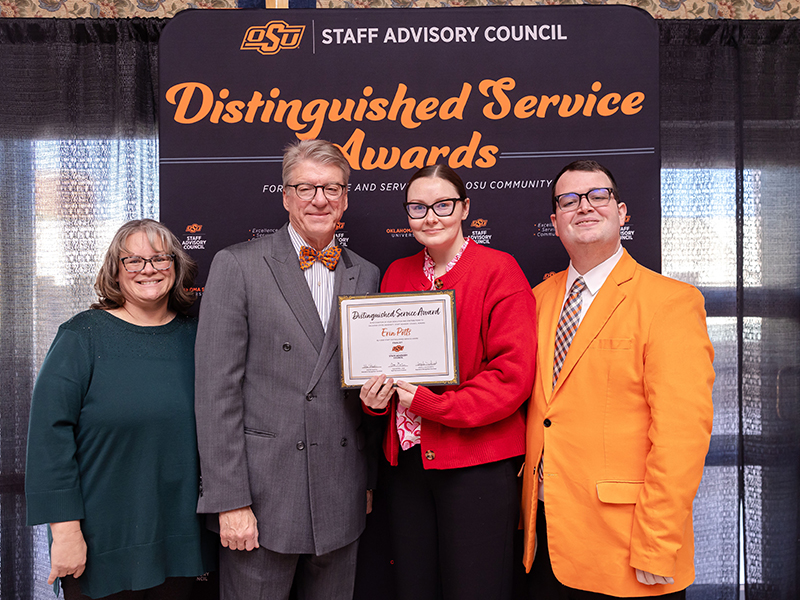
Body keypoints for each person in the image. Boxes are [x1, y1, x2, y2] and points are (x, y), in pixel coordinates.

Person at [194, 139, 380, 600]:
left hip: (341, 494)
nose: (320, 199)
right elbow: (216, 393)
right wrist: (230, 501)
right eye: (306, 188)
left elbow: (367, 392)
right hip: (262, 498)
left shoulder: (368, 274)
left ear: (346, 198)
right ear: (285, 196)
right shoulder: (237, 265)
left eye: (332, 189)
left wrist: (367, 483)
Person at [520, 160, 715, 599]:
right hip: (546, 541)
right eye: (568, 200)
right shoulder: (535, 301)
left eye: (597, 196)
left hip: (629, 547)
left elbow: (682, 436)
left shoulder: (671, 303)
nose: (583, 207)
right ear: (555, 222)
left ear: (622, 212)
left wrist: (657, 544)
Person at [360, 164, 537, 600]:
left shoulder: (499, 270)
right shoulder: (396, 274)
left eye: (443, 205)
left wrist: (432, 404)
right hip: (406, 468)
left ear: (465, 209)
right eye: (418, 207)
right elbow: (380, 363)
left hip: (476, 467)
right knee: (414, 588)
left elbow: (511, 378)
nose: (431, 217)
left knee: (474, 589)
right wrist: (374, 399)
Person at [25, 219, 215, 600]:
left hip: (178, 545)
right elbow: (49, 439)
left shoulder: (199, 339)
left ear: (176, 268)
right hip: (100, 546)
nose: (148, 269)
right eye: (134, 261)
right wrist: (64, 533)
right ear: (115, 270)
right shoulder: (81, 337)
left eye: (161, 258)